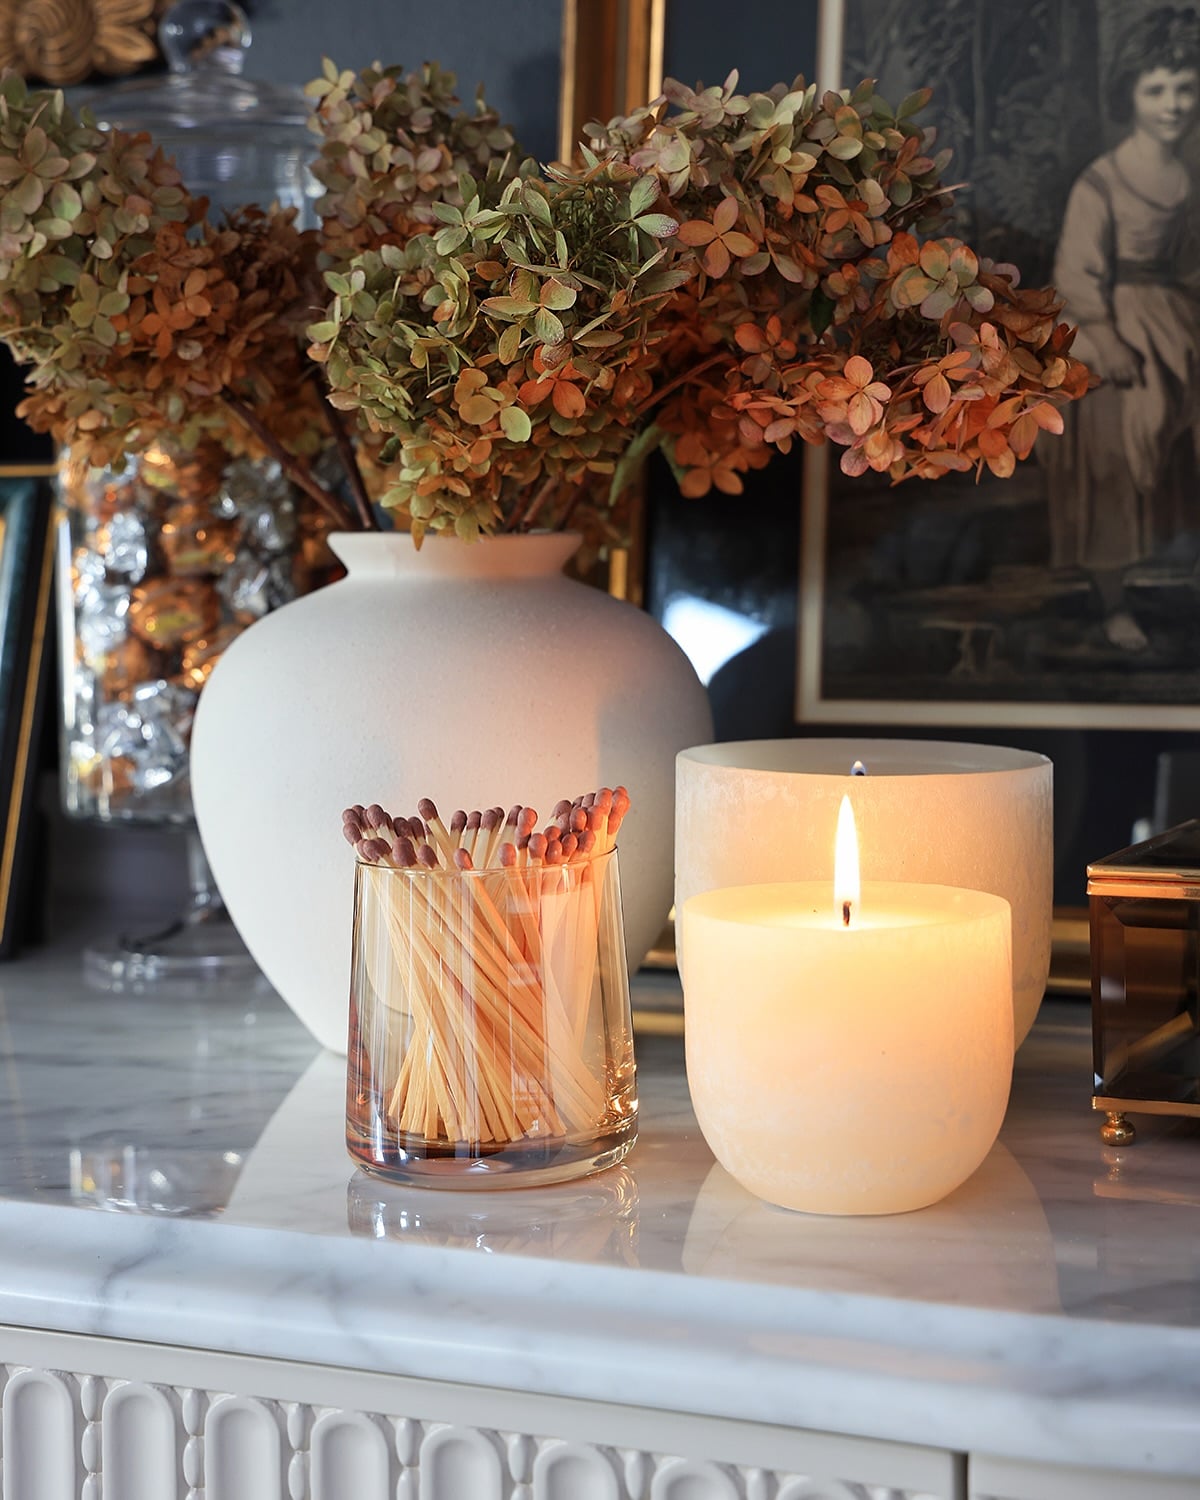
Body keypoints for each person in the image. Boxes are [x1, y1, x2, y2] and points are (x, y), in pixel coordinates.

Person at [1044, 5, 1200, 652]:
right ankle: (1114, 605)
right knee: (1113, 457)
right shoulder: (1102, 182)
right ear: (1130, 95)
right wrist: (1107, 341)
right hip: (1108, 332)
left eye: (1185, 88)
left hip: (1174, 324)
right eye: (1156, 90)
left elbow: (1188, 265)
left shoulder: (1185, 176)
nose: (1173, 104)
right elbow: (1076, 275)